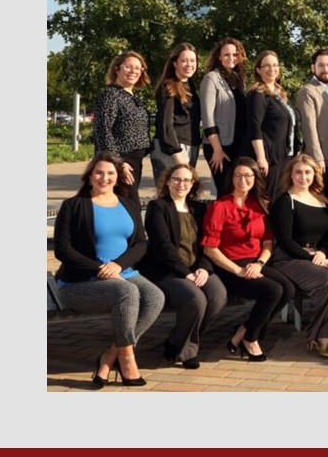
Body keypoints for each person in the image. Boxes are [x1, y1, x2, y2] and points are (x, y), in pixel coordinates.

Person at [54, 152, 165, 388]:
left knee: (155, 297)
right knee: (127, 294)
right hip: (80, 282)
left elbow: (140, 244)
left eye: (110, 173)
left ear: (117, 177)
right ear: (90, 176)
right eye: (99, 173)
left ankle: (110, 355)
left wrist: (118, 265)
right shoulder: (73, 206)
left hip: (124, 273)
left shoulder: (128, 204)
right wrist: (100, 268)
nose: (105, 178)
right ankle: (127, 359)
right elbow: (62, 250)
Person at [202, 158, 294, 362]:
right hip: (229, 266)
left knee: (288, 288)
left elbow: (268, 243)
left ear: (255, 178)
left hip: (255, 262)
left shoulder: (259, 205)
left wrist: (259, 263)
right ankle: (251, 338)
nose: (243, 180)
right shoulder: (220, 206)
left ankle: (245, 329)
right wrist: (238, 270)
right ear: (232, 178)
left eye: (248, 175)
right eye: (238, 175)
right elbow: (210, 249)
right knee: (273, 290)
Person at [270, 154, 328, 359]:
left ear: (314, 174)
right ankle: (320, 338)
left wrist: (321, 252)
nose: (303, 177)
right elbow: (285, 241)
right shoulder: (285, 202)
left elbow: (327, 237)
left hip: (317, 256)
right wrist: (310, 257)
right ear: (290, 175)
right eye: (298, 172)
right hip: (289, 258)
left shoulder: (321, 200)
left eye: (308, 172)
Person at [140, 164, 227, 370]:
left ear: (193, 183)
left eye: (186, 180)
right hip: (167, 270)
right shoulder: (158, 207)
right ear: (168, 182)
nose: (181, 184)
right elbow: (163, 247)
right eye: (176, 179)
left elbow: (209, 243)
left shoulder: (200, 208)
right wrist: (186, 273)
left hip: (197, 268)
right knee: (195, 299)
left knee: (217, 296)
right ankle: (188, 351)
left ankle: (176, 340)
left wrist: (204, 268)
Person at [92, 51, 152, 205]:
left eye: (138, 68)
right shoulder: (111, 95)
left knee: (128, 205)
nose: (133, 71)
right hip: (120, 160)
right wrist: (118, 163)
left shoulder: (133, 97)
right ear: (117, 69)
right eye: (128, 67)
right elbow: (102, 130)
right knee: (130, 206)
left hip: (134, 161)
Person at [244, 50, 298, 201]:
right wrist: (261, 157)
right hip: (269, 159)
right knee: (269, 199)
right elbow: (255, 127)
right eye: (266, 65)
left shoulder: (280, 93)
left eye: (275, 65)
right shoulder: (257, 94)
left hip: (284, 157)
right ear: (258, 69)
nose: (272, 69)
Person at [200, 37, 248, 198]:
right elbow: (207, 117)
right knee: (225, 190)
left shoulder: (240, 80)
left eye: (235, 54)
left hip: (239, 145)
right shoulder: (211, 78)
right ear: (219, 57)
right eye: (226, 55)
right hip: (220, 147)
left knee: (238, 191)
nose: (231, 58)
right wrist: (217, 149)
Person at [150, 42, 202, 182]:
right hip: (172, 150)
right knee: (168, 196)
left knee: (183, 194)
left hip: (190, 146)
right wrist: (177, 154)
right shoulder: (168, 86)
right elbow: (165, 124)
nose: (189, 64)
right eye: (184, 60)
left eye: (192, 60)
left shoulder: (190, 86)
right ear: (174, 63)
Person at [294, 48, 328, 184]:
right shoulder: (307, 91)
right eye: (321, 65)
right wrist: (317, 157)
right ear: (313, 67)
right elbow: (308, 127)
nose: (325, 69)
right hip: (322, 157)